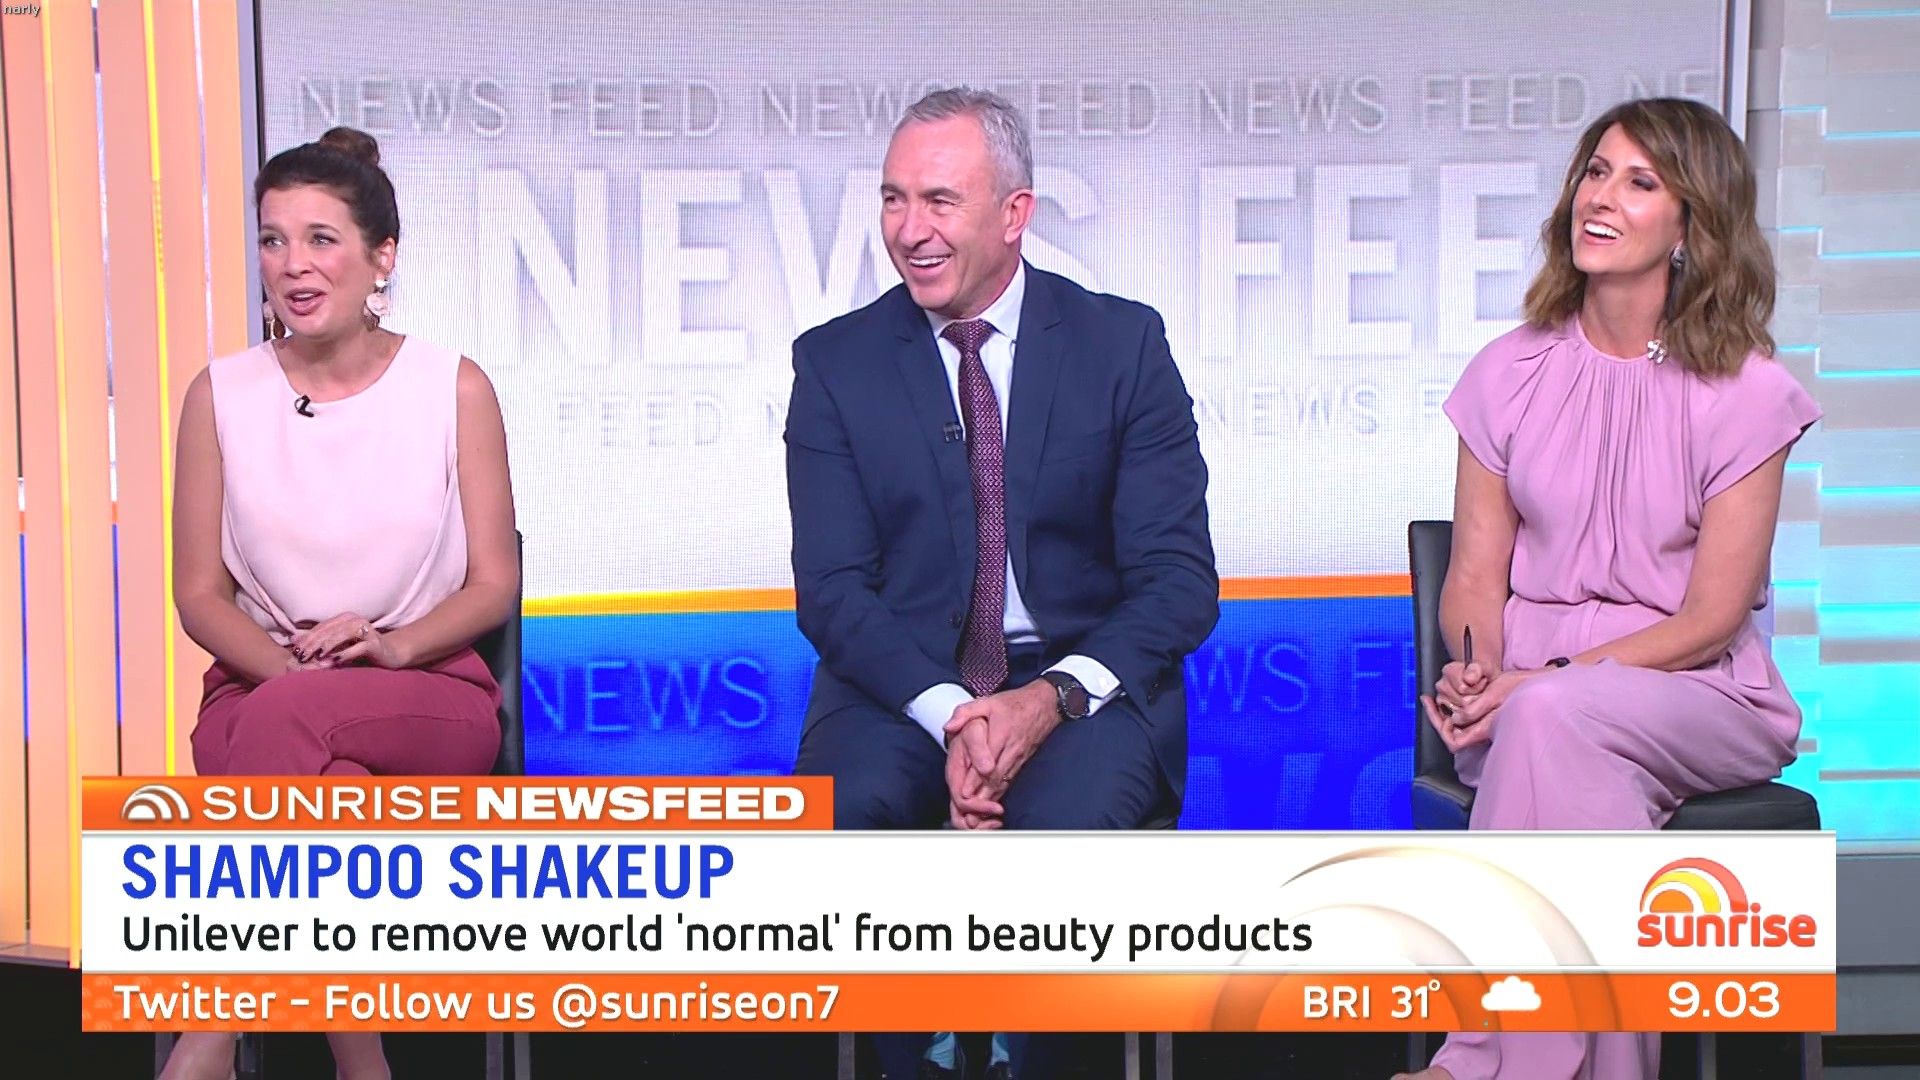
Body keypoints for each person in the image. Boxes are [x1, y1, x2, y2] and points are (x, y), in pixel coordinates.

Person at [785, 88, 1218, 1078]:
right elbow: (833, 592)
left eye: (939, 200)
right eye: (893, 199)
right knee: (843, 821)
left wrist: (1046, 700)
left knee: (1057, 846)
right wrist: (956, 718)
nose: (909, 230)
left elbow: (1178, 583)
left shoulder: (1122, 347)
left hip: (1083, 691)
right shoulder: (837, 364)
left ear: (1015, 213)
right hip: (899, 690)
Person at [1395, 98, 1821, 1080]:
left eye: (1640, 181)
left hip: (1696, 689)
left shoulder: (1748, 391)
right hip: (1528, 697)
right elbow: (1474, 575)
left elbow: (1713, 619)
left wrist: (1543, 681)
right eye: (1595, 171)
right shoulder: (1509, 372)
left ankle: (1482, 1060)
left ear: (1692, 222)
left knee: (1552, 717)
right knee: (1566, 754)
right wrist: (1476, 669)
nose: (1602, 197)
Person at [162, 126, 518, 1080]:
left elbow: (494, 583)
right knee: (333, 799)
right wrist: (291, 672)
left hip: (425, 690)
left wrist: (392, 649)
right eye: (273, 240)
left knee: (299, 750)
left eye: (321, 239)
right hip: (255, 694)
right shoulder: (219, 394)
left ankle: (209, 1036)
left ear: (380, 257)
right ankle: (368, 1070)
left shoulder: (453, 387)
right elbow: (197, 593)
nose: (293, 264)